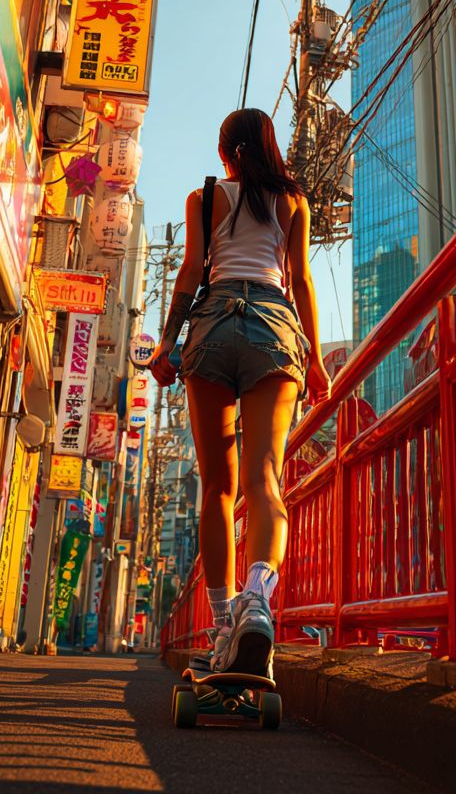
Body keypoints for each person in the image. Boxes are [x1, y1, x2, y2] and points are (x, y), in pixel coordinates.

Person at [148, 109, 332, 676]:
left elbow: (188, 273)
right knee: (265, 481)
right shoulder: (293, 202)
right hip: (274, 329)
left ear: (226, 150)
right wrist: (317, 360)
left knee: (218, 491)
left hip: (212, 329)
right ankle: (259, 600)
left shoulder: (204, 198)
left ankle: (225, 626)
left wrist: (166, 345)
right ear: (271, 147)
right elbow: (300, 280)